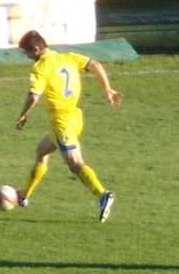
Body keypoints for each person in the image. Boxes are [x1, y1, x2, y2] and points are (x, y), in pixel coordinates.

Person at [12, 30, 118, 221]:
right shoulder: (67, 57)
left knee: (75, 164)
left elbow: (33, 96)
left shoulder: (41, 67)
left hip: (62, 123)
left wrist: (23, 115)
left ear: (36, 49)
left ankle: (103, 195)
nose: (27, 57)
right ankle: (24, 195)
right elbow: (95, 64)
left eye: (27, 52)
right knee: (42, 151)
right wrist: (107, 88)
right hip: (74, 116)